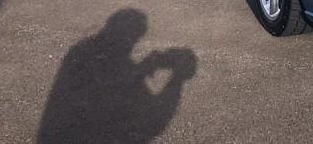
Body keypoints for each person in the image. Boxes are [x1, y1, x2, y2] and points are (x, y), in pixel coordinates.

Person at [37, 9, 195, 143]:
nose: (132, 42)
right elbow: (152, 122)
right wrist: (177, 78)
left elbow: (110, 79)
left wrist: (143, 68)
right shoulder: (87, 52)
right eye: (133, 36)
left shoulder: (83, 49)